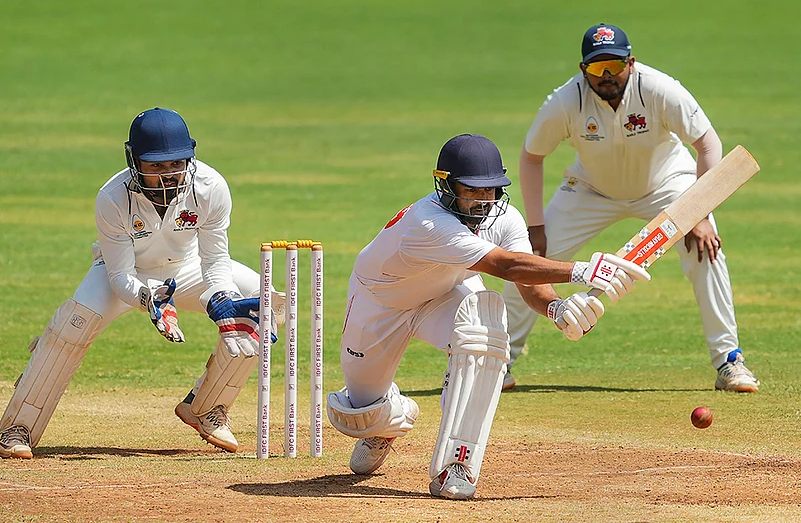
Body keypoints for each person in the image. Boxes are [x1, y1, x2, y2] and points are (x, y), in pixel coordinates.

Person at [325, 134, 650, 500]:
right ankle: (388, 420)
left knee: (485, 334)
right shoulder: (428, 223)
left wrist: (555, 308)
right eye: (473, 191)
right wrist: (583, 270)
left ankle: (456, 465)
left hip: (445, 295)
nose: (483, 200)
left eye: (491, 190)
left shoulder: (504, 217)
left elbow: (528, 280)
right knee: (357, 414)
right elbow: (505, 265)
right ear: (446, 185)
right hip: (381, 305)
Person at [0, 107, 282, 459]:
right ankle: (18, 426)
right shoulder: (112, 197)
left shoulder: (211, 187)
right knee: (74, 324)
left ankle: (206, 407)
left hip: (187, 268)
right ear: (134, 162)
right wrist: (147, 299)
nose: (168, 175)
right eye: (156, 166)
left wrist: (221, 296)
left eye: (176, 163)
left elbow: (215, 260)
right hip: (125, 274)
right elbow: (120, 276)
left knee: (266, 300)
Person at [500, 23, 760, 393]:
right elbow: (531, 156)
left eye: (614, 66)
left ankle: (729, 361)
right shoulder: (564, 102)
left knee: (706, 251)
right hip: (589, 191)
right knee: (530, 263)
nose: (606, 76)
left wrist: (701, 213)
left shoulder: (658, 89)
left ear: (631, 63)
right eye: (596, 68)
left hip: (666, 184)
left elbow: (707, 143)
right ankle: (500, 361)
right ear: (582, 69)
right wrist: (536, 225)